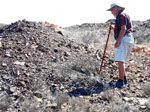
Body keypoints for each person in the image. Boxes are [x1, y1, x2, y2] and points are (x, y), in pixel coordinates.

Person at [107, 3, 134, 88]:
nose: (111, 12)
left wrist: (118, 41)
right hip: (128, 39)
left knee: (120, 61)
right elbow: (122, 28)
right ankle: (124, 79)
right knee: (122, 60)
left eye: (112, 10)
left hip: (123, 39)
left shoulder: (121, 15)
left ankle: (120, 82)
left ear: (117, 8)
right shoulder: (123, 15)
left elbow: (123, 29)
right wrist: (113, 28)